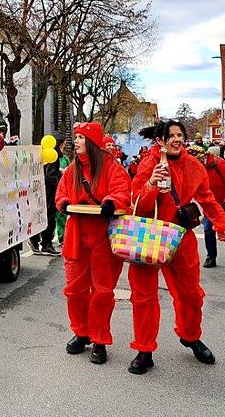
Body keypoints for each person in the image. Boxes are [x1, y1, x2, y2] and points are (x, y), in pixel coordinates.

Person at [127, 120, 225, 375]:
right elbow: (136, 204)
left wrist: (221, 224)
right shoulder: (149, 164)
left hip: (181, 237)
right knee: (143, 296)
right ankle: (144, 349)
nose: (176, 139)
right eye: (170, 135)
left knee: (191, 294)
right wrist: (151, 184)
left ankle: (190, 335)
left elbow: (206, 197)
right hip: (149, 235)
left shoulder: (194, 165)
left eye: (179, 135)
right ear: (160, 140)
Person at [55, 122, 130, 365]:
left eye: (80, 137)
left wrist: (111, 202)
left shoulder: (111, 166)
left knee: (102, 291)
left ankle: (99, 338)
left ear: (93, 142)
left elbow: (122, 192)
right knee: (74, 289)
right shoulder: (72, 169)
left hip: (103, 237)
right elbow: (61, 193)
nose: (76, 141)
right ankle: (81, 332)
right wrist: (64, 203)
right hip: (76, 235)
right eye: (75, 137)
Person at [187, 144, 225, 268]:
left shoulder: (219, 164)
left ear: (201, 158)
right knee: (208, 230)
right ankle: (211, 256)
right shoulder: (194, 170)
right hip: (212, 205)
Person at [30, 132, 63, 257]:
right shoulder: (52, 157)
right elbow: (50, 175)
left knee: (40, 215)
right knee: (49, 216)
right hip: (49, 192)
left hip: (42, 190)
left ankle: (37, 241)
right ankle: (46, 243)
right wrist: (59, 181)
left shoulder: (43, 154)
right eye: (63, 145)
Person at [55, 133, 72, 245]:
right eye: (63, 144)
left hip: (64, 189)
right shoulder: (52, 157)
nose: (64, 146)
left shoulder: (65, 158)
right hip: (53, 188)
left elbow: (71, 171)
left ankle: (62, 237)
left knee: (61, 216)